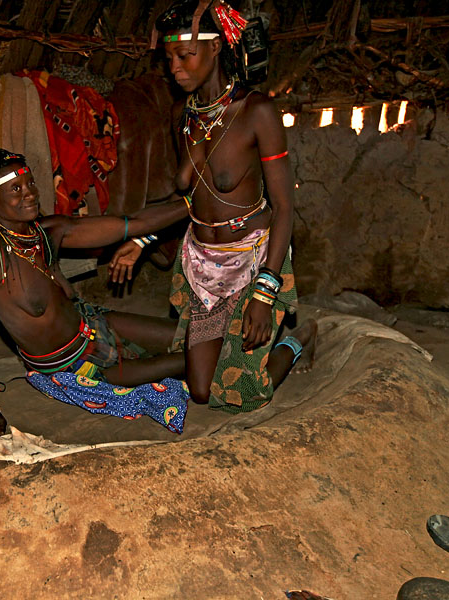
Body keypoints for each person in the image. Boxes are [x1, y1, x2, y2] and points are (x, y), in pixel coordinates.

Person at [108, 0, 317, 412]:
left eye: (185, 55)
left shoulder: (258, 112)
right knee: (202, 391)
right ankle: (226, 339)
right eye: (169, 57)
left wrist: (265, 292)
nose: (175, 67)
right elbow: (191, 198)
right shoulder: (182, 116)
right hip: (201, 266)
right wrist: (144, 239)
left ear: (217, 47)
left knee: (243, 395)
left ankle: (298, 339)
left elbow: (283, 207)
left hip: (252, 260)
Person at [0, 149, 189, 440]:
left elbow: (132, 224)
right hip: (74, 366)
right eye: (16, 189)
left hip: (95, 325)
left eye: (31, 184)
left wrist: (195, 203)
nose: (30, 194)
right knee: (196, 358)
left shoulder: (47, 232)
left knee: (194, 337)